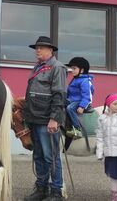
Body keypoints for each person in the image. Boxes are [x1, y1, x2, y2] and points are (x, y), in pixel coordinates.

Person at [23, 36, 67, 201]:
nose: (38, 50)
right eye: (37, 47)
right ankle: (42, 188)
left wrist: (54, 119)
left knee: (52, 156)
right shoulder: (37, 68)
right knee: (39, 156)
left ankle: (56, 191)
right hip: (34, 118)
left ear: (51, 50)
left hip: (48, 120)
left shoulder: (57, 67)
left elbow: (59, 94)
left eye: (41, 47)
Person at [65, 57, 94, 138]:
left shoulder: (85, 81)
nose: (72, 70)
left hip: (80, 101)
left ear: (81, 70)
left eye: (74, 68)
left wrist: (82, 106)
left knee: (70, 108)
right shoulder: (75, 79)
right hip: (71, 100)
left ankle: (77, 129)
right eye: (71, 68)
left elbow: (87, 96)